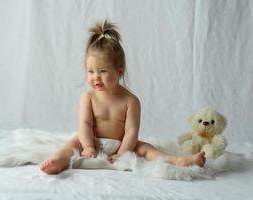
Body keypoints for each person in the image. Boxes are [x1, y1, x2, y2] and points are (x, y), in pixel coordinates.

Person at [41, 20, 205, 175]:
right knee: (71, 145)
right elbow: (85, 124)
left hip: (121, 144)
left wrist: (123, 153)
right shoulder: (88, 97)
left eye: (103, 71)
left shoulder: (130, 101)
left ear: (120, 71)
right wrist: (89, 146)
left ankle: (178, 160)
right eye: (91, 71)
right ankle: (58, 162)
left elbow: (131, 131)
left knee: (146, 149)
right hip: (91, 140)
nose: (95, 77)